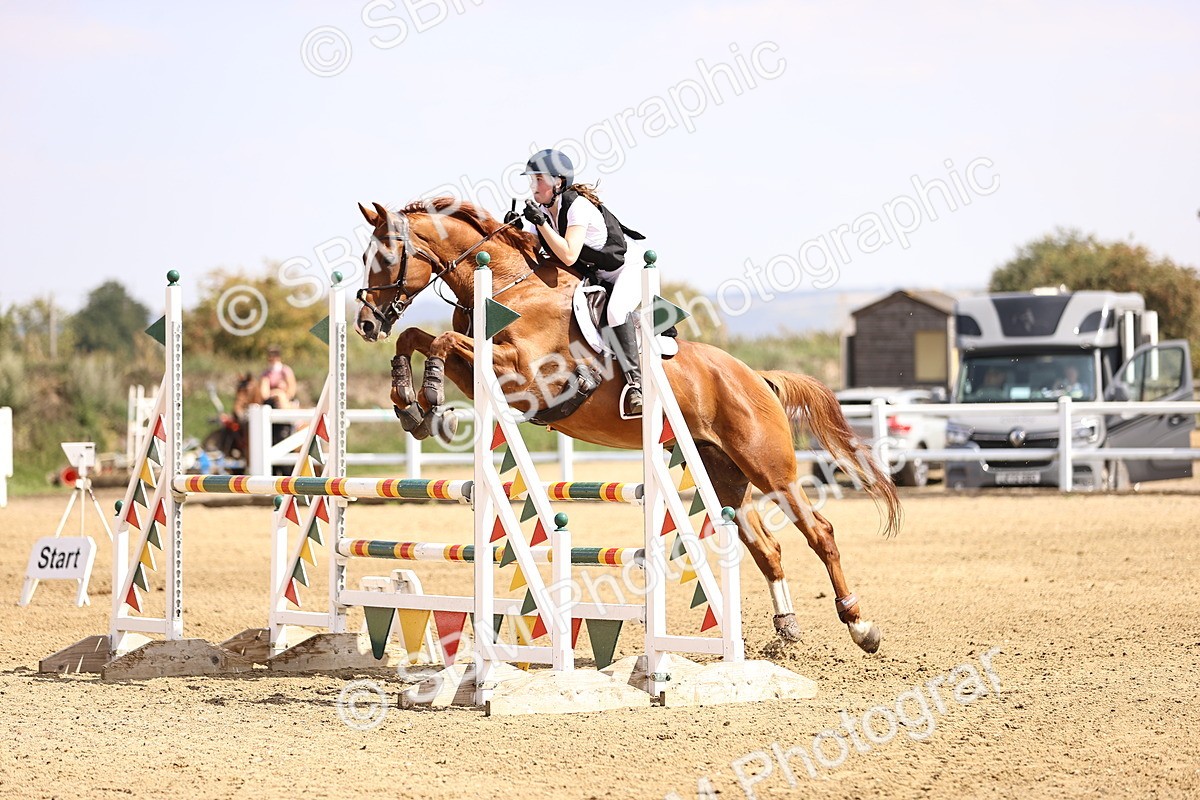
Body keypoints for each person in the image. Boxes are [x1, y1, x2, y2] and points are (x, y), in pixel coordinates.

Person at [508, 148, 647, 418]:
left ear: (558, 182)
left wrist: (541, 225)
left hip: (627, 271)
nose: (534, 187)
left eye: (539, 180)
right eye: (532, 180)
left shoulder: (577, 206)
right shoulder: (546, 213)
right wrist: (515, 231)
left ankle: (636, 385)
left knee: (616, 312)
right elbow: (536, 248)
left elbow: (569, 253)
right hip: (595, 276)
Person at [259, 345, 297, 410]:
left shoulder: (286, 370)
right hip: (271, 400)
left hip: (286, 399)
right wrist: (277, 392)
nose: (272, 358)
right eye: (270, 356)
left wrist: (283, 396)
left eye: (275, 356)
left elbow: (292, 389)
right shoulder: (265, 374)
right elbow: (264, 393)